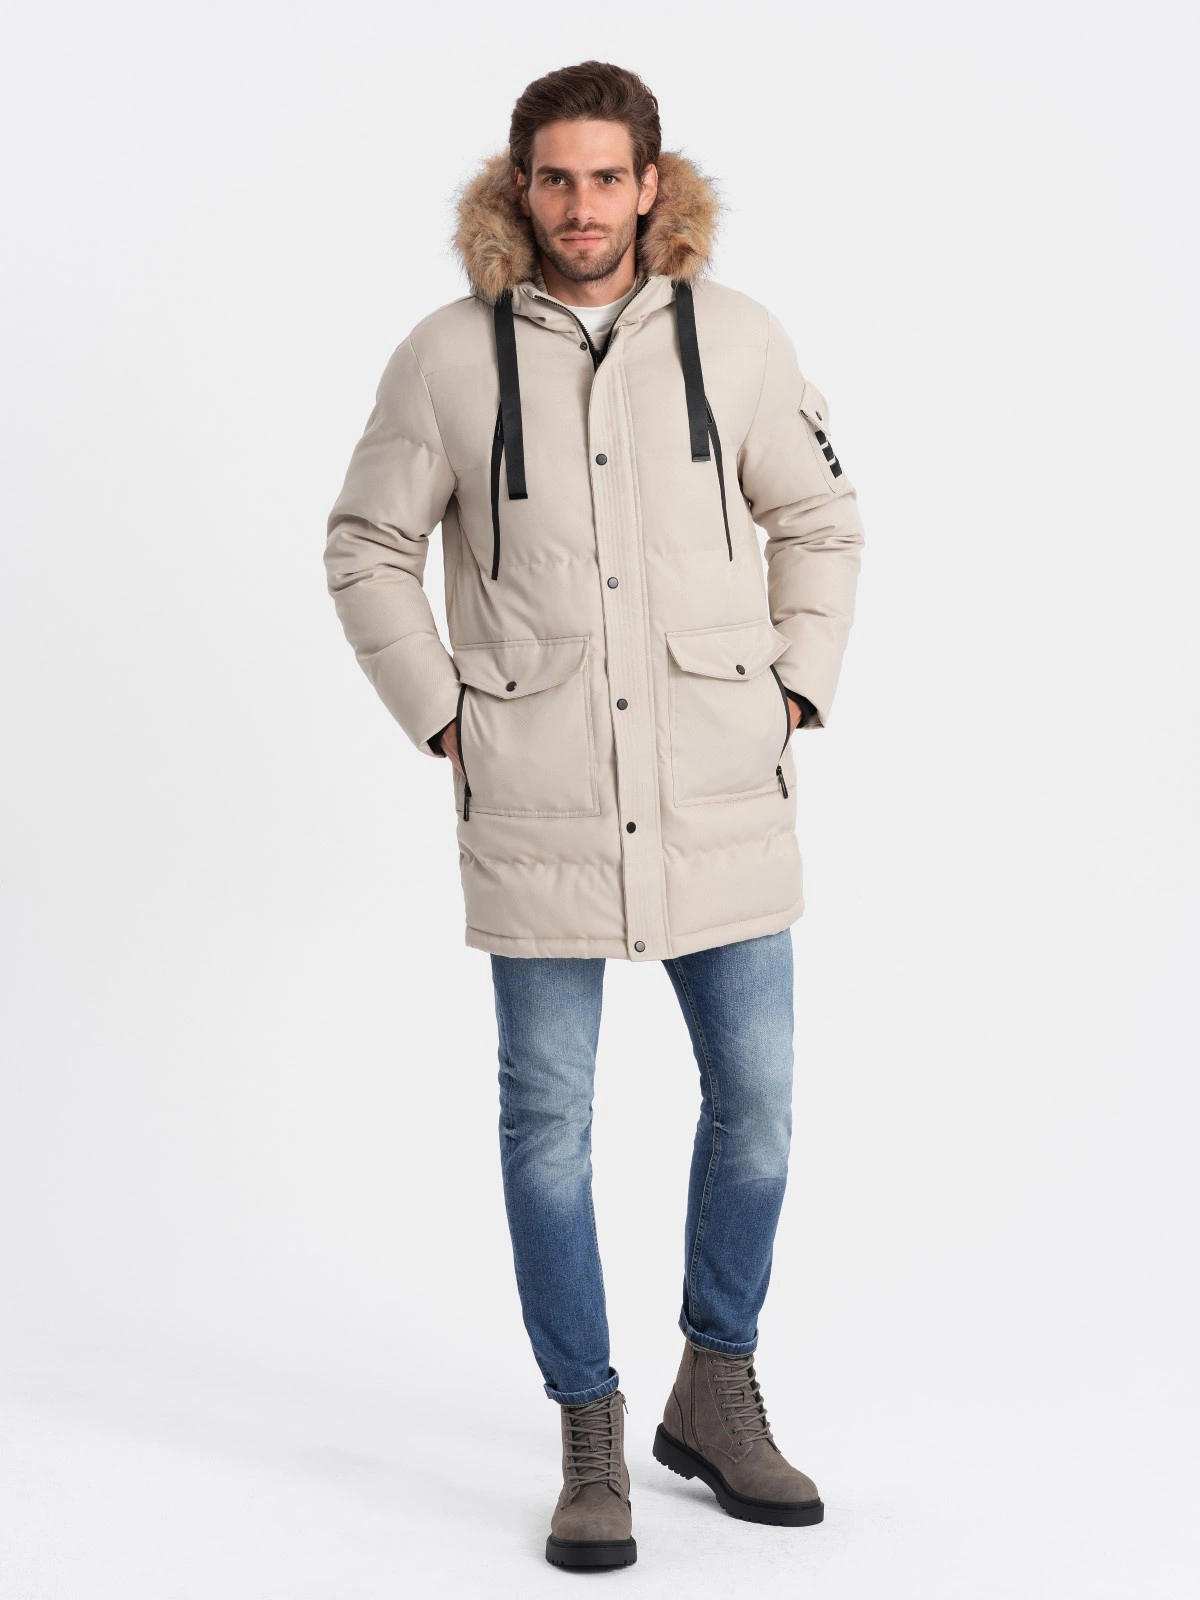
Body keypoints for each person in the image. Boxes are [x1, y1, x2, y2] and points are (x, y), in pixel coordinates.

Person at [324, 59, 865, 1571]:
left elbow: (820, 517)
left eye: (605, 178)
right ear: (522, 187)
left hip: (718, 791)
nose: (580, 206)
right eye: (554, 179)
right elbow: (366, 542)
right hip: (540, 797)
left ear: (650, 185)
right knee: (547, 1129)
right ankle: (587, 1431)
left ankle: (716, 1387)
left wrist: (796, 686)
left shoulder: (737, 340)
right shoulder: (447, 358)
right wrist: (443, 713)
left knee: (757, 1106)